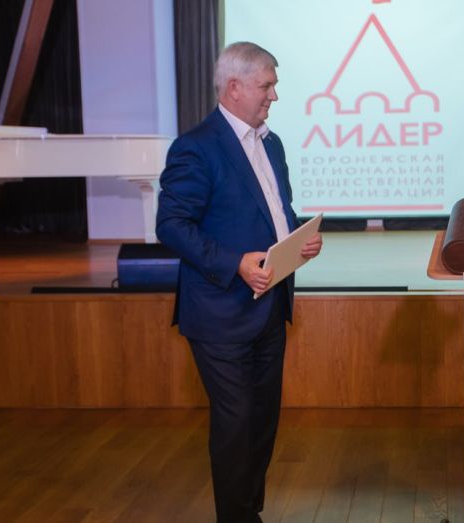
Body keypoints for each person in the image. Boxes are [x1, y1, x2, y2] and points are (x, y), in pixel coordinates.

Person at [156, 41, 322, 523]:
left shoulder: (272, 143)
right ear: (234, 87)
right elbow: (171, 225)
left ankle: (249, 512)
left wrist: (298, 239)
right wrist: (235, 263)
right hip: (220, 312)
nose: (274, 96)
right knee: (236, 423)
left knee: (261, 424)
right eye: (266, 85)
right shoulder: (195, 147)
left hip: (269, 306)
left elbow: (274, 212)